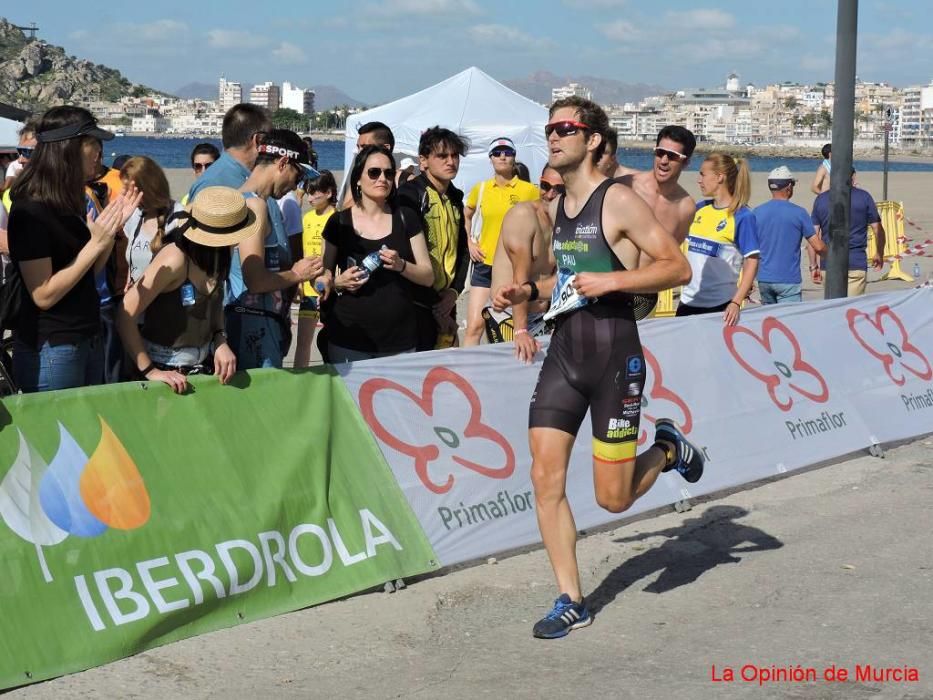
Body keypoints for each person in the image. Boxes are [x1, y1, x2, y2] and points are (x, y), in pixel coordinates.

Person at [493, 96, 701, 639]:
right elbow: (568, 284)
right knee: (544, 477)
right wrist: (528, 291)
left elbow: (675, 267)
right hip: (565, 355)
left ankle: (668, 449)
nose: (554, 135)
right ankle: (570, 598)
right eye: (549, 128)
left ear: (592, 141)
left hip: (614, 357)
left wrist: (612, 282)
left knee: (612, 499)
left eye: (566, 128)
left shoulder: (619, 201)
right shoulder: (558, 208)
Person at [7, 107, 141, 393]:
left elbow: (89, 270)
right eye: (95, 144)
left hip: (86, 335)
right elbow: (43, 294)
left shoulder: (71, 201)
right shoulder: (30, 209)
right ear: (71, 148)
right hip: (52, 347)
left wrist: (109, 235)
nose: (100, 154)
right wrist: (94, 244)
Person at [117, 187, 262, 392]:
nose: (239, 241)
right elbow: (124, 314)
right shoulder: (174, 259)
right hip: (164, 373)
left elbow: (216, 304)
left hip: (204, 368)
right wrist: (150, 371)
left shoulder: (221, 255)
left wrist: (220, 338)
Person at [318, 145, 434, 362]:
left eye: (389, 173)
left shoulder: (406, 218)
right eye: (374, 172)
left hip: (399, 341)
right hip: (348, 339)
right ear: (358, 179)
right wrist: (337, 283)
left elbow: (428, 276)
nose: (383, 178)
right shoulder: (339, 222)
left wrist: (402, 265)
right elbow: (320, 280)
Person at [229, 130, 322, 369]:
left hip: (253, 326)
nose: (297, 184)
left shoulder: (255, 201)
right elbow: (255, 280)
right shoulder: (255, 205)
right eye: (298, 175)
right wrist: (298, 274)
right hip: (250, 330)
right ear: (282, 163)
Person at [397, 126, 470, 351]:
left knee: (446, 374)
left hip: (446, 302)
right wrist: (436, 306)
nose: (451, 161)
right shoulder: (409, 196)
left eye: (455, 155)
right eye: (442, 156)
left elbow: (463, 250)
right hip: (416, 304)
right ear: (424, 160)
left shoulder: (455, 197)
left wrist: (453, 292)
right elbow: (404, 252)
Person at [613, 126, 698, 318]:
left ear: (686, 162)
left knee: (636, 348)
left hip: (644, 297)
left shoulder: (685, 207)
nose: (664, 161)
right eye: (660, 153)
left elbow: (669, 259)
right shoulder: (626, 185)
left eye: (672, 156)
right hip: (608, 288)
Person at [463, 137, 539, 346]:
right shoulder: (481, 189)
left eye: (507, 152)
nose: (503, 156)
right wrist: (470, 242)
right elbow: (466, 215)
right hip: (485, 264)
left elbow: (540, 224)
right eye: (497, 153)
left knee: (510, 327)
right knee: (474, 327)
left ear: (514, 157)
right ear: (490, 159)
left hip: (514, 267)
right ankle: (468, 373)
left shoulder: (529, 190)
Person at [486, 165, 563, 356]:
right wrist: (520, 331)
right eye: (545, 186)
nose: (550, 194)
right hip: (510, 316)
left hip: (543, 315)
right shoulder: (523, 216)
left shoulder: (564, 220)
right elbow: (519, 281)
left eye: (559, 189)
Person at [677, 153, 759, 326]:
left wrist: (736, 302)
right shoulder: (699, 209)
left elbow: (751, 261)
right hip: (687, 303)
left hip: (719, 306)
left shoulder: (742, 216)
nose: (699, 180)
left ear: (720, 177)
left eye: (703, 174)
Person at [754, 166, 827, 304]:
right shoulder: (799, 213)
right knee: (788, 322)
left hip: (764, 278)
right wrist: (831, 257)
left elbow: (750, 248)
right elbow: (817, 246)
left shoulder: (757, 212)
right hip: (788, 279)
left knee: (769, 321)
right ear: (788, 187)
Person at [811, 168, 884, 297]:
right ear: (853, 177)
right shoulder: (864, 197)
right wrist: (879, 252)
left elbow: (813, 236)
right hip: (856, 261)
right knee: (851, 309)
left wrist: (813, 265)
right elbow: (877, 228)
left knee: (833, 307)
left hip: (829, 261)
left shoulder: (821, 199)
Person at [293, 170, 337, 368]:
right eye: (308, 193)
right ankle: (300, 381)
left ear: (328, 193)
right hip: (308, 290)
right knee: (303, 342)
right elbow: (302, 253)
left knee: (332, 342)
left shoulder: (337, 218)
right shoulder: (308, 218)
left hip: (332, 290)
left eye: (314, 193)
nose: (309, 198)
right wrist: (299, 283)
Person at [120, 156, 186, 289]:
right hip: (137, 300)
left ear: (148, 188)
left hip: (166, 302)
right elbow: (134, 259)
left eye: (131, 190)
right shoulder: (135, 216)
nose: (127, 195)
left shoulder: (179, 215)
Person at [187, 104, 272, 201]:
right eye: (268, 140)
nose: (271, 146)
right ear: (258, 140)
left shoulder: (244, 175)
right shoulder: (210, 186)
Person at [341, 121, 396, 209]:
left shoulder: (401, 179)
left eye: (364, 147)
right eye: (358, 147)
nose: (359, 152)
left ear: (386, 148)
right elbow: (346, 207)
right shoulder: (361, 171)